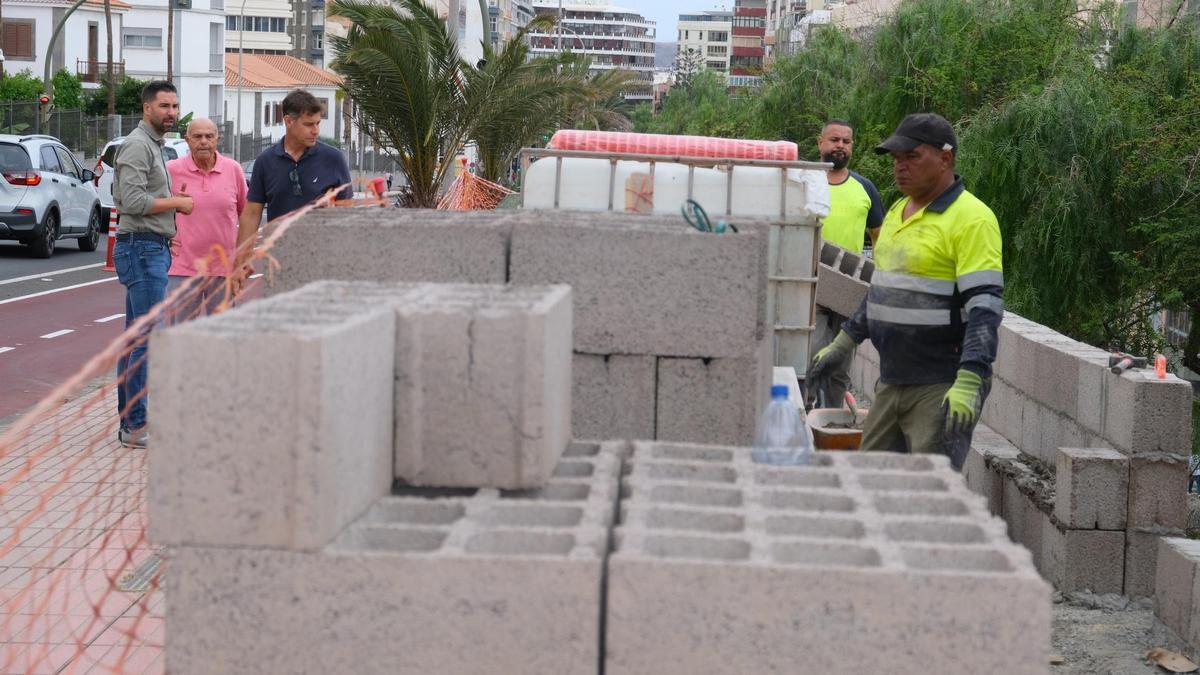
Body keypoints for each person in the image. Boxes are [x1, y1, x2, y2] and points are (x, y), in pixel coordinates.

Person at [809, 113, 1004, 469]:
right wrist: (845, 341)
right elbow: (883, 289)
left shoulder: (972, 219)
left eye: (912, 157)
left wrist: (971, 378)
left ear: (945, 159)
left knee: (928, 494)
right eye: (897, 158)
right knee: (873, 484)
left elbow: (985, 308)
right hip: (893, 379)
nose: (900, 167)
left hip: (940, 383)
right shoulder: (899, 211)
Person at [112, 80, 194, 448]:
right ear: (147, 108)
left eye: (175, 106)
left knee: (135, 338)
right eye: (164, 106)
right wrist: (176, 204)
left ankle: (131, 419)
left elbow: (144, 198)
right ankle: (135, 424)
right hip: (142, 249)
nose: (172, 112)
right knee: (147, 339)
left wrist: (166, 228)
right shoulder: (137, 146)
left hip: (150, 245)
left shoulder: (155, 146)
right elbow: (130, 201)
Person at [234, 89, 352, 279]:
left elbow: (348, 212)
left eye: (317, 124)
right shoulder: (265, 161)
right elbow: (252, 213)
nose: (315, 131)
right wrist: (241, 260)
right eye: (308, 125)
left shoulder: (334, 159)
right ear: (289, 121)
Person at [808, 119, 884, 408]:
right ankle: (804, 412)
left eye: (846, 141)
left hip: (849, 291)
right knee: (811, 352)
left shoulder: (865, 188)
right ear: (820, 143)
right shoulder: (806, 181)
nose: (840, 145)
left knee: (840, 363)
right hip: (811, 285)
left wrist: (878, 279)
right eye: (834, 140)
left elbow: (880, 237)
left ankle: (831, 420)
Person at [165, 117, 247, 323]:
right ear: (187, 140)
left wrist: (242, 259)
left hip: (223, 268)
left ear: (217, 139)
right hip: (183, 267)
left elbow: (247, 216)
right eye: (197, 136)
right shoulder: (171, 170)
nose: (203, 141)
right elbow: (156, 209)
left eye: (209, 136)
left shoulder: (233, 169)